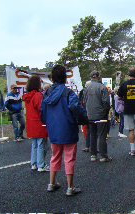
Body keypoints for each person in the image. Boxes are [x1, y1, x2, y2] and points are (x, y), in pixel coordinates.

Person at [40, 65, 88, 196]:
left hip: (53, 130)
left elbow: (42, 113)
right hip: (68, 129)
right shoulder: (68, 93)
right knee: (69, 158)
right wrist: (83, 120)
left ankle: (51, 183)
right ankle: (70, 187)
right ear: (65, 78)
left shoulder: (46, 93)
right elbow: (76, 109)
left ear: (52, 77)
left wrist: (48, 124)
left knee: (54, 156)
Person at [81, 70, 112, 162]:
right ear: (98, 76)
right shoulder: (102, 87)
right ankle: (103, 156)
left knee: (92, 134)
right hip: (101, 114)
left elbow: (84, 102)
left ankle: (93, 155)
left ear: (90, 78)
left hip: (89, 114)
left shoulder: (86, 88)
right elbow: (106, 102)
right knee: (102, 135)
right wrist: (105, 112)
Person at [22, 75, 49, 172]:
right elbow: (41, 110)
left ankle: (34, 164)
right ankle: (41, 165)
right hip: (39, 122)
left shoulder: (27, 96)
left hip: (30, 122)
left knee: (34, 144)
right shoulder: (38, 95)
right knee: (41, 144)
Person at [79, 81, 91, 153]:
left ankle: (87, 146)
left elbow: (80, 101)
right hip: (92, 112)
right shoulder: (93, 91)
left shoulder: (82, 91)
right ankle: (94, 148)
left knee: (87, 130)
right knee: (93, 130)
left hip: (84, 111)